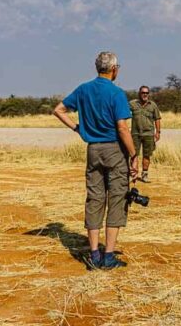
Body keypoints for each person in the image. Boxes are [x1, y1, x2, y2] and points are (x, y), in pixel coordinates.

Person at [53, 52, 138, 270]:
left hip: (93, 150)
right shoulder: (117, 93)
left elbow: (59, 110)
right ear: (114, 69)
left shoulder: (83, 89)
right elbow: (122, 128)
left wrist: (79, 129)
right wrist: (134, 155)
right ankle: (108, 256)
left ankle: (93, 254)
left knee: (94, 199)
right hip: (115, 150)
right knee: (117, 199)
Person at [130, 86, 162, 183]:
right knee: (133, 154)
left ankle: (144, 175)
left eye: (147, 93)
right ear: (139, 93)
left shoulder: (153, 105)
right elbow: (122, 112)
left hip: (149, 134)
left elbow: (157, 118)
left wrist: (158, 132)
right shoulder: (132, 104)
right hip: (135, 133)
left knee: (147, 155)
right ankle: (133, 175)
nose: (145, 94)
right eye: (143, 92)